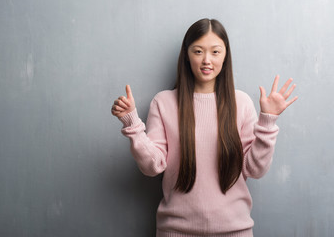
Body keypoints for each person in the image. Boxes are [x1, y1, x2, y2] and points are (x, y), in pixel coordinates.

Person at [111, 18, 297, 237]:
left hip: (235, 230)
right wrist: (133, 124)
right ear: (186, 54)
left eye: (215, 52)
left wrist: (268, 120)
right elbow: (153, 166)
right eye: (198, 51)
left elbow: (255, 170)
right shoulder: (163, 102)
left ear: (226, 55)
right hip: (175, 231)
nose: (207, 60)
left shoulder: (242, 103)